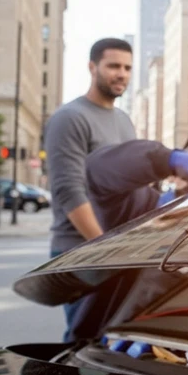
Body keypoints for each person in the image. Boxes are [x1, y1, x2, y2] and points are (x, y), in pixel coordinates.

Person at [60, 130, 188, 342]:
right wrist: (166, 159)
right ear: (175, 175)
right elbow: (97, 171)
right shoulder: (141, 209)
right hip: (110, 349)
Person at [43, 37, 136, 341]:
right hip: (81, 252)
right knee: (83, 343)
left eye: (127, 68)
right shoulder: (70, 118)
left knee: (114, 344)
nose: (121, 74)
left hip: (118, 252)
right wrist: (106, 250)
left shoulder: (124, 121)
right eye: (113, 66)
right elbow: (69, 191)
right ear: (92, 67)